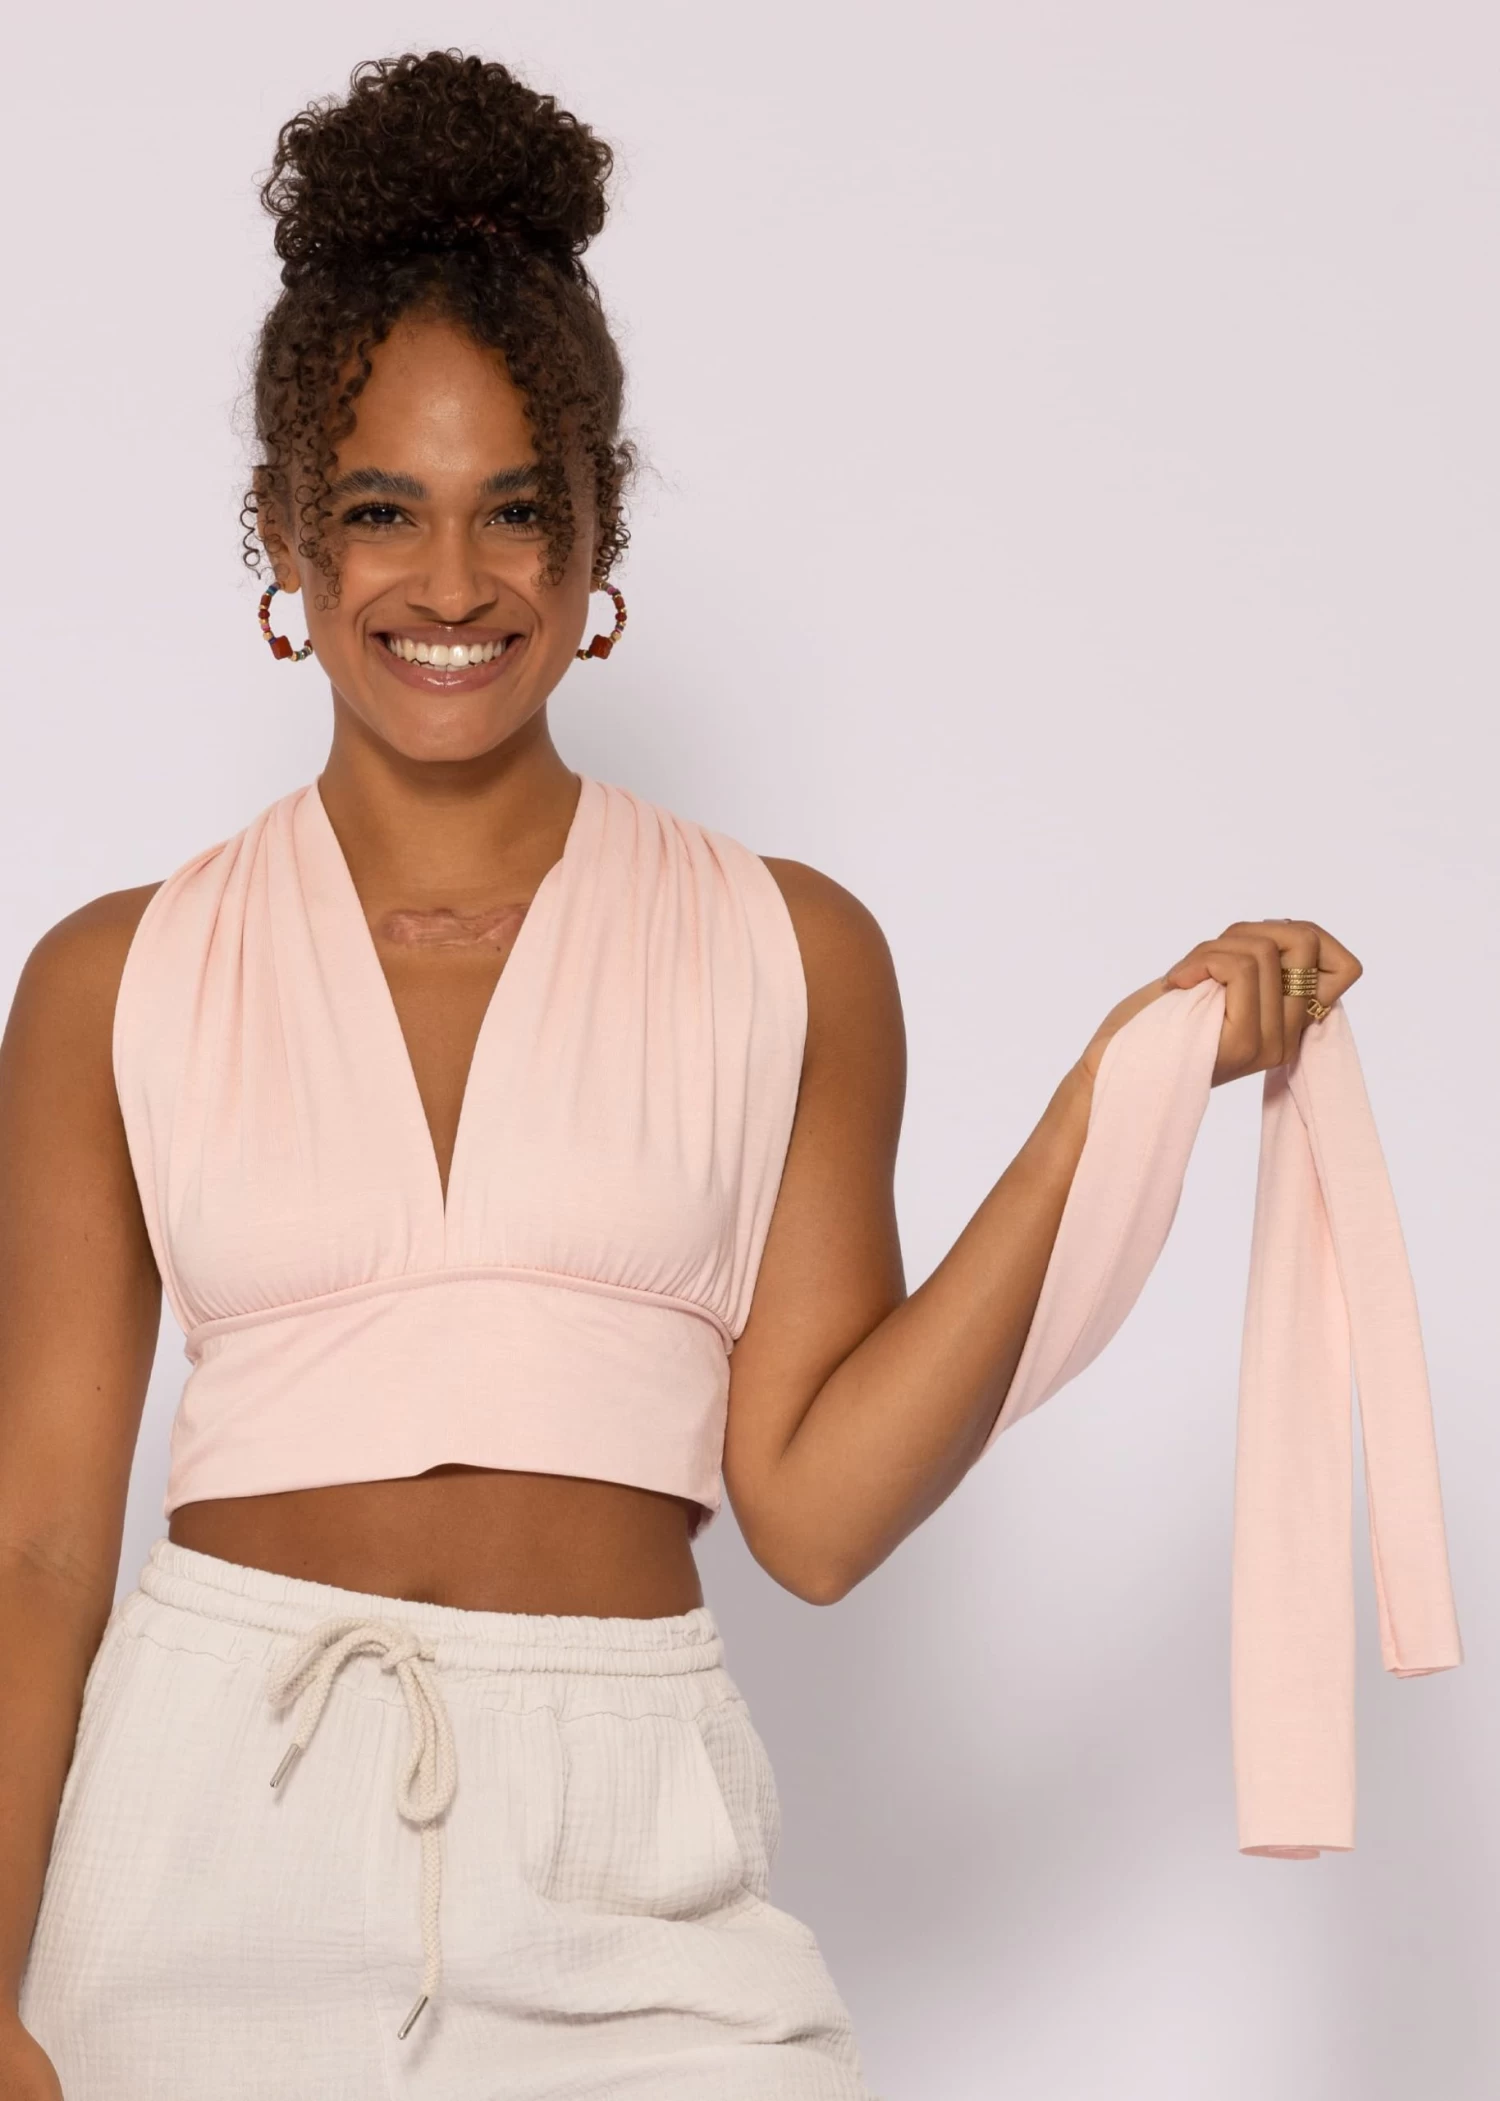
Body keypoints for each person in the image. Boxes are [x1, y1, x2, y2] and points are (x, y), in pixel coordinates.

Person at [0, 47, 1361, 2101]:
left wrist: (1109, 1106)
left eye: (514, 511)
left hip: (624, 1844)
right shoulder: (114, 978)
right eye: (380, 513)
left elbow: (810, 1511)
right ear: (284, 532)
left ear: (597, 533)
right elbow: (34, 1552)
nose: (450, 585)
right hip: (205, 1848)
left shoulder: (783, 948)